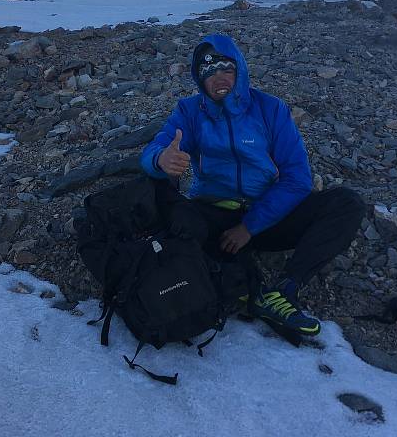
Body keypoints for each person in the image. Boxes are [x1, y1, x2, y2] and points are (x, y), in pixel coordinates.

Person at [140, 33, 365, 337]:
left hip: (267, 215)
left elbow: (297, 178)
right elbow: (154, 151)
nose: (217, 77)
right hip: (214, 214)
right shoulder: (190, 112)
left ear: (240, 69)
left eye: (225, 68)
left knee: (346, 203)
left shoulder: (270, 109)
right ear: (198, 78)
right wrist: (160, 160)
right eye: (207, 71)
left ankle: (283, 290)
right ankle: (241, 285)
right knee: (167, 203)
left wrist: (250, 227)